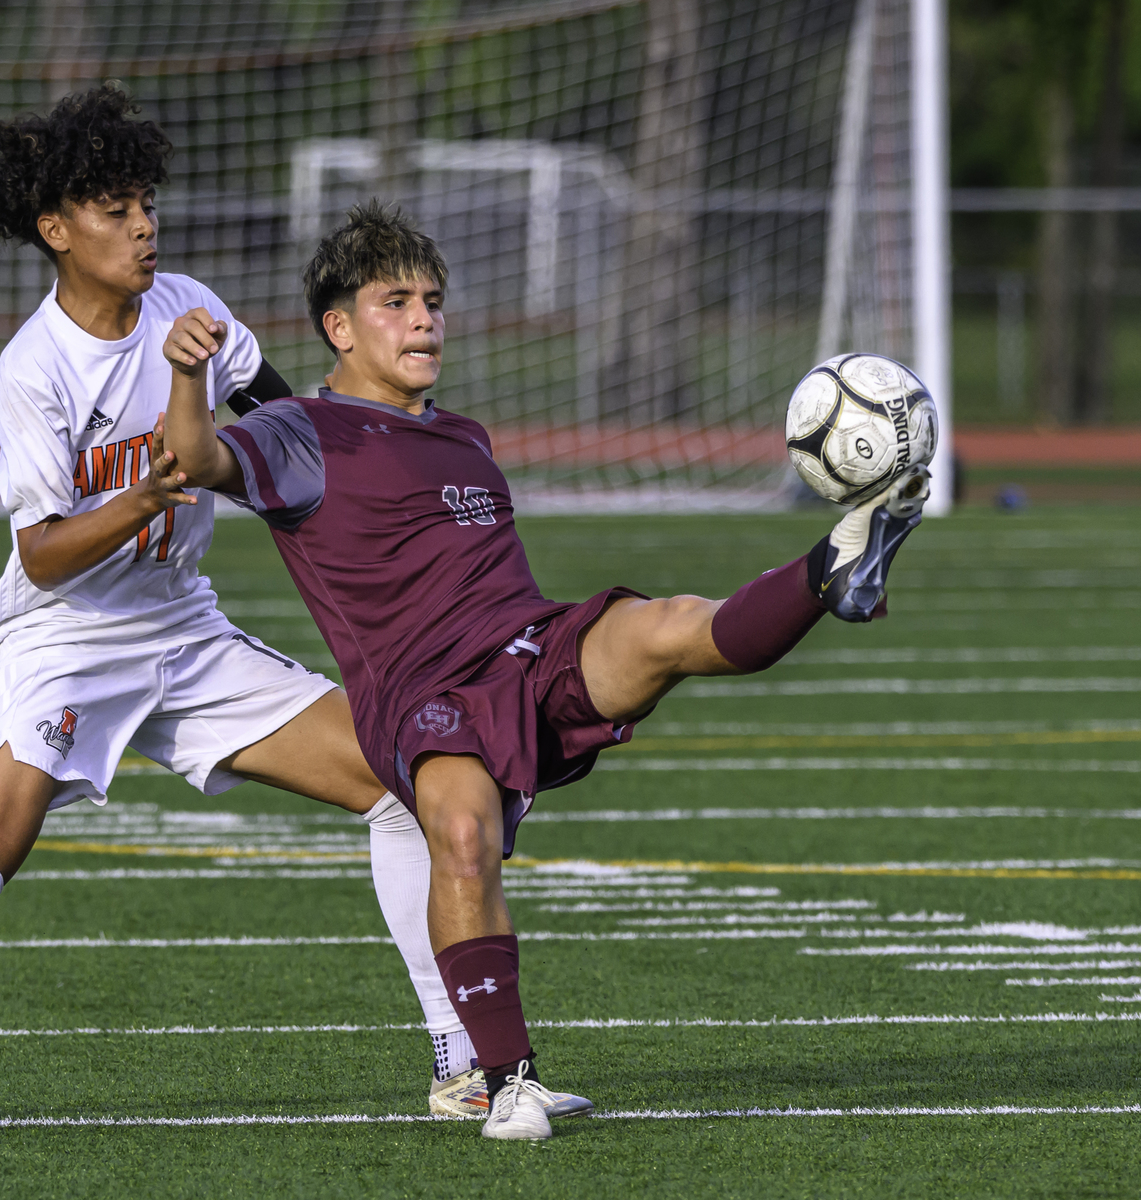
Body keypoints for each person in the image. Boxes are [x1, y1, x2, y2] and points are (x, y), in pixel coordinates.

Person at [0, 86, 589, 1133]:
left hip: (187, 633)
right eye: (114, 210)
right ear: (56, 228)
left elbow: (296, 424)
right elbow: (42, 553)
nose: (143, 226)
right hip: (67, 643)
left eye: (146, 203)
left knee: (402, 787)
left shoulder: (189, 305)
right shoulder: (35, 368)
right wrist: (147, 496)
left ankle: (463, 1068)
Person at [161, 200, 931, 1140]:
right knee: (458, 827)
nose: (423, 319)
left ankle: (833, 567)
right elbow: (192, 457)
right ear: (339, 327)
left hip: (532, 646)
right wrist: (187, 375)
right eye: (395, 302)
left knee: (669, 628)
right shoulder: (298, 432)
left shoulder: (466, 435)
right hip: (424, 697)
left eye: (433, 301)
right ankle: (505, 1080)